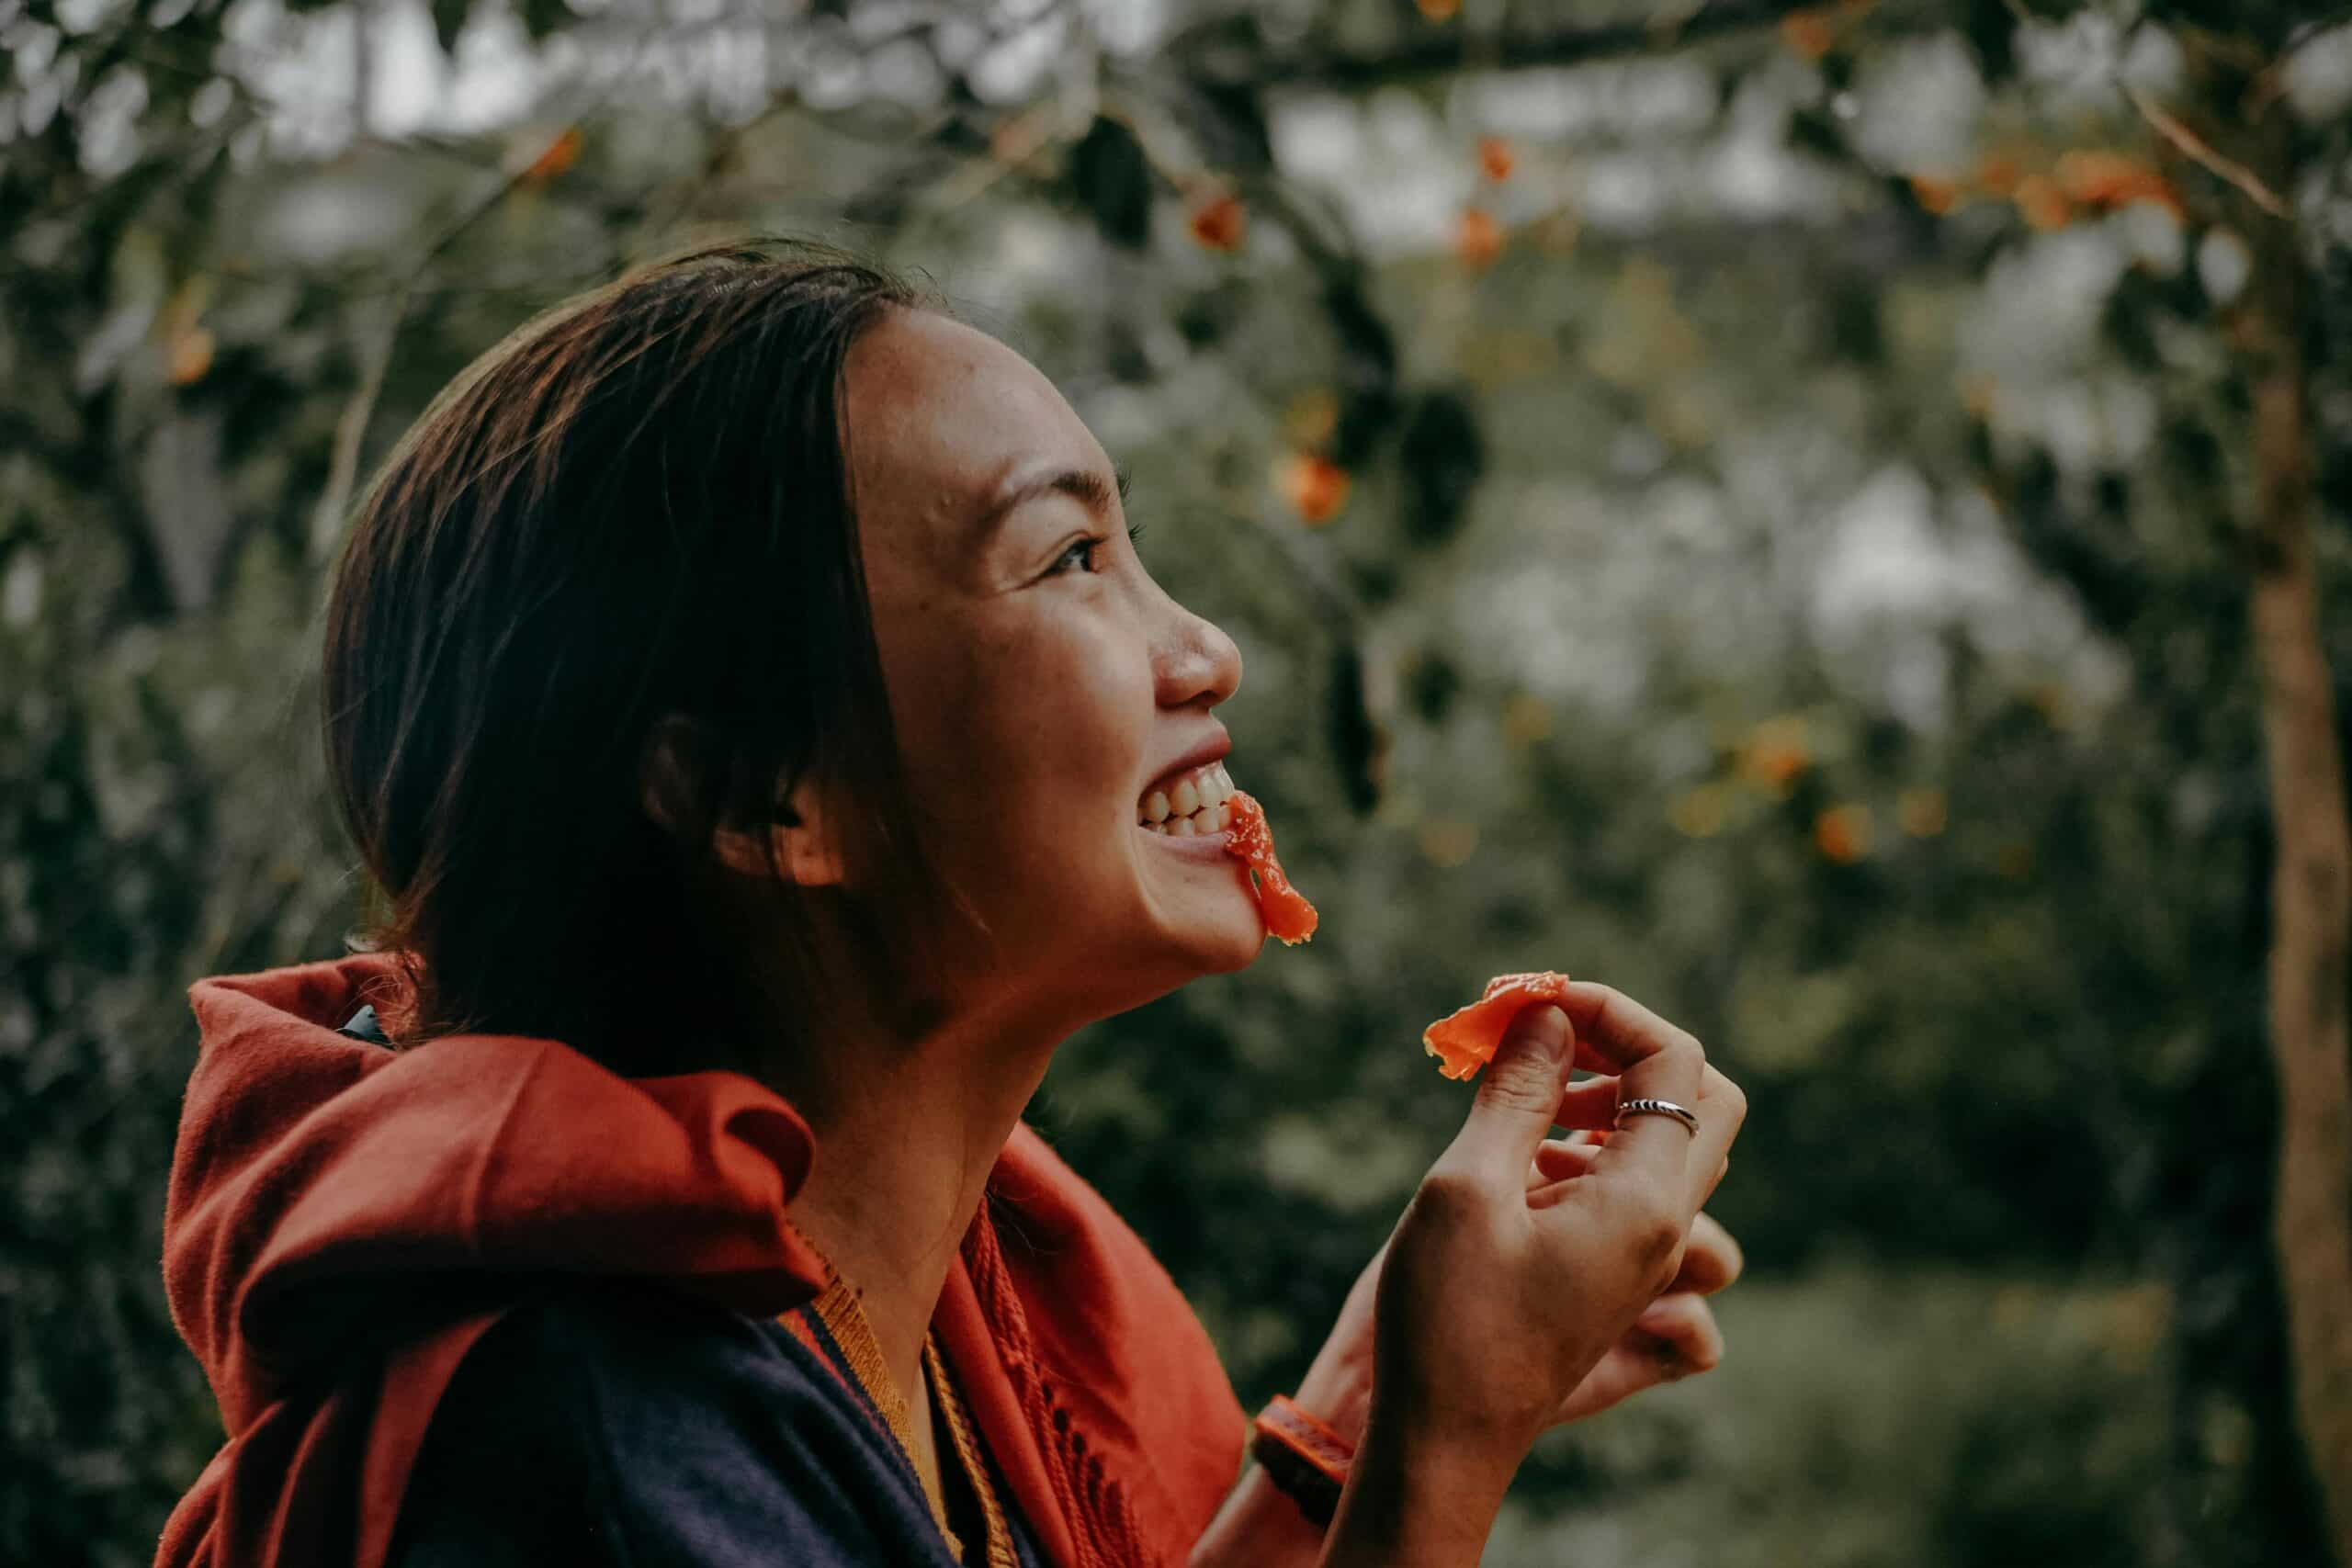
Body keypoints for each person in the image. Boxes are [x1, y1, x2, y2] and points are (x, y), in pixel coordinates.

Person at [153, 239, 1747, 1568]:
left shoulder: (905, 1292)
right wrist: (1442, 1460)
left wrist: (1345, 1442)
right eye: (1067, 561)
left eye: (1135, 551)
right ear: (774, 803)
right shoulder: (598, 1448)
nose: (1204, 652)